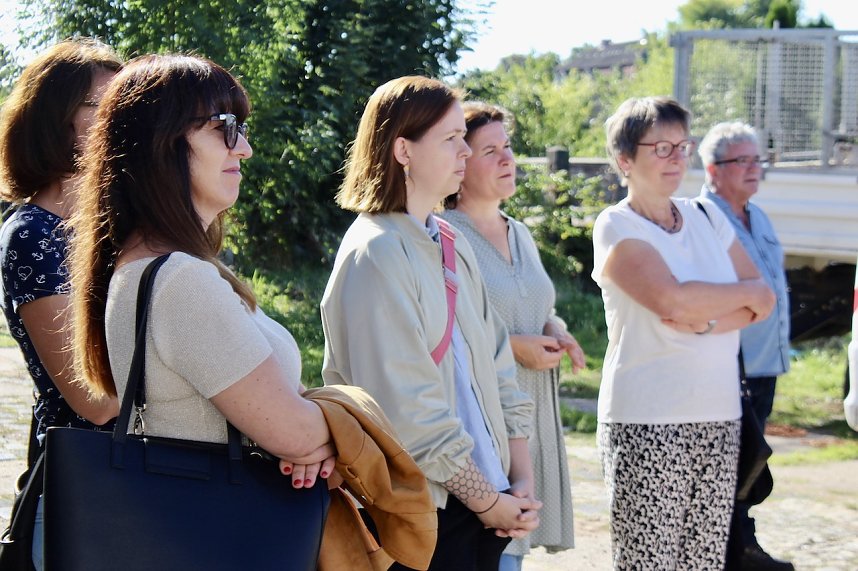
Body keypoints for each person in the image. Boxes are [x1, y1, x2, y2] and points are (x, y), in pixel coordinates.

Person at [68, 53, 335, 499]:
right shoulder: (180, 281)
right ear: (162, 141)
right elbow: (295, 435)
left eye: (242, 130)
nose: (244, 148)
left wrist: (313, 437)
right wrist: (326, 438)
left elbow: (297, 431)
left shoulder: (154, 266)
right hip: (227, 529)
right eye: (224, 127)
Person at [320, 76, 540, 571]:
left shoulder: (449, 240)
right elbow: (408, 411)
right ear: (403, 149)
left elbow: (499, 365)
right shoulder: (374, 251)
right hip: (423, 513)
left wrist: (518, 482)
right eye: (451, 138)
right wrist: (490, 502)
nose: (466, 151)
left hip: (483, 499)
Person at [592, 96, 776, 569]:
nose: (677, 157)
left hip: (719, 417)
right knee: (648, 563)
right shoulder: (616, 224)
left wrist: (706, 319)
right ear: (625, 160)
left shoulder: (708, 216)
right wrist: (725, 300)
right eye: (662, 147)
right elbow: (670, 300)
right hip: (648, 421)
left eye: (683, 145)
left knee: (704, 563)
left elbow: (763, 297)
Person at [440, 101, 583, 571]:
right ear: (460, 163)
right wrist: (516, 348)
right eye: (489, 151)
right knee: (493, 546)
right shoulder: (444, 235)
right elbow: (450, 324)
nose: (507, 160)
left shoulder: (519, 231)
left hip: (532, 409)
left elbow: (538, 305)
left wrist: (556, 331)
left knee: (516, 540)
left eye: (508, 148)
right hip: (486, 416)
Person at [0, 38, 123, 570]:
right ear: (54, 121)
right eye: (100, 106)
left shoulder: (114, 232)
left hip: (137, 483)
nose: (118, 121)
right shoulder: (32, 235)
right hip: (81, 500)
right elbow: (93, 400)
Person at [697, 121, 794, 571]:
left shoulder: (760, 215)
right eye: (743, 161)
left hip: (765, 365)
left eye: (758, 160)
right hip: (728, 367)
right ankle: (733, 549)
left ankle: (742, 544)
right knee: (728, 464)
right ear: (713, 169)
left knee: (752, 460)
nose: (755, 169)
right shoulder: (702, 219)